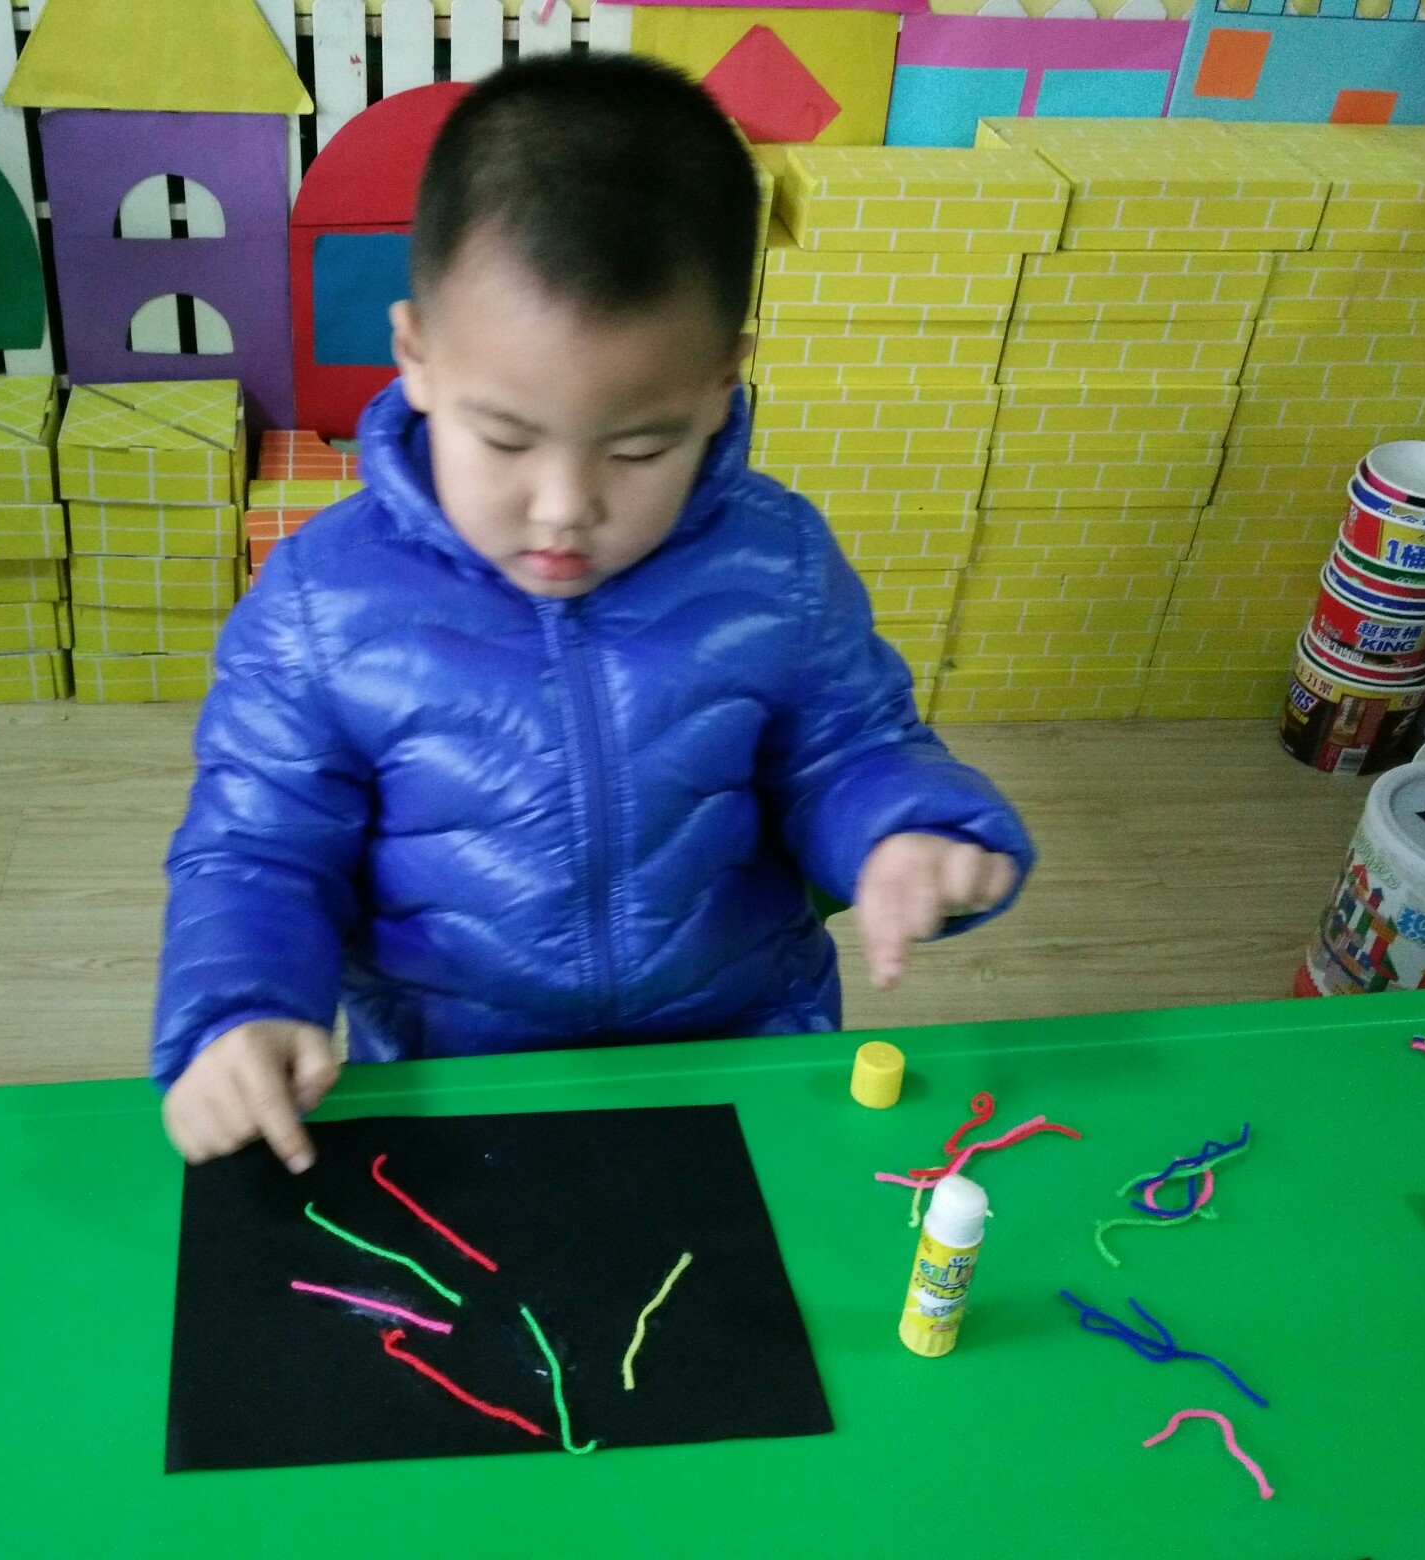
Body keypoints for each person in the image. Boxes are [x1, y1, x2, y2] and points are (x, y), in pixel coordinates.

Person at [153, 53, 1033, 1172]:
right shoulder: (320, 607)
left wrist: (908, 829)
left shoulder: (777, 563)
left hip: (739, 1065)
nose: (564, 507)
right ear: (415, 356)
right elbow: (257, 849)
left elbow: (848, 749)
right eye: (506, 439)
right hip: (461, 1089)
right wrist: (239, 1011)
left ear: (720, 385)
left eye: (640, 448)